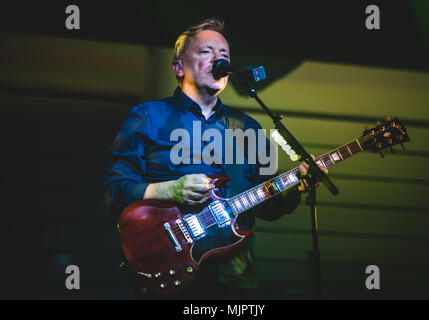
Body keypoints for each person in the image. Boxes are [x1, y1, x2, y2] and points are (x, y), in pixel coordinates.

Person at [103, 17, 327, 299]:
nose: (219, 60)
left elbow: (269, 208)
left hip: (234, 280)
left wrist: (298, 185)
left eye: (225, 55)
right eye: (207, 51)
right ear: (178, 67)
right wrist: (169, 189)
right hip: (165, 273)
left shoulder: (247, 127)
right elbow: (114, 192)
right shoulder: (146, 117)